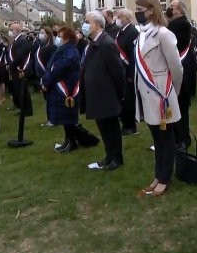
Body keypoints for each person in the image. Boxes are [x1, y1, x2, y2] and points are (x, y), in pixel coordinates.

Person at [134, 0, 183, 197]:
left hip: (161, 93)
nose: (137, 13)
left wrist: (173, 93)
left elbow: (177, 67)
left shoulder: (163, 34)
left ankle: (164, 178)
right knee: (156, 137)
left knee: (166, 138)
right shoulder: (141, 33)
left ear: (152, 10)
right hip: (146, 92)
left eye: (140, 10)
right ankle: (158, 174)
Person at [80, 11, 126, 171]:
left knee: (111, 128)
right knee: (103, 128)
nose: (84, 25)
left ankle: (116, 157)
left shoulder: (107, 43)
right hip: (96, 94)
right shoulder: (93, 43)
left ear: (98, 25)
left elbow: (117, 72)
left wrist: (119, 94)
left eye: (87, 22)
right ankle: (109, 156)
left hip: (107, 95)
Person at [41, 27, 81, 152]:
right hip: (59, 85)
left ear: (67, 39)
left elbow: (58, 68)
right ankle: (67, 140)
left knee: (69, 118)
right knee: (65, 118)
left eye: (60, 36)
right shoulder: (63, 49)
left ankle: (72, 141)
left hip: (66, 88)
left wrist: (47, 81)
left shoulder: (71, 51)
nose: (57, 38)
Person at [167, 0, 196, 151]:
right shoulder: (173, 23)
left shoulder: (181, 24)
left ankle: (183, 138)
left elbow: (175, 44)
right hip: (176, 66)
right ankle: (177, 137)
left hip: (181, 66)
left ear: (179, 9)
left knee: (181, 105)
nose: (170, 9)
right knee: (173, 105)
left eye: (172, 7)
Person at [115, 9, 140, 135]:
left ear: (127, 18)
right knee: (123, 99)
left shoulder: (132, 32)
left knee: (129, 100)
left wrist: (131, 73)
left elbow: (134, 54)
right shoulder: (121, 32)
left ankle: (130, 125)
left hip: (128, 71)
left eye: (120, 16)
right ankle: (125, 123)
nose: (117, 19)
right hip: (120, 71)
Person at [7, 23, 33, 116]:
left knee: (23, 91)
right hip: (15, 69)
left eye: (11, 29)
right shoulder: (15, 40)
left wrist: (12, 66)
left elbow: (20, 56)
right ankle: (23, 108)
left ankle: (27, 110)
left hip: (20, 69)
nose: (9, 31)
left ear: (16, 30)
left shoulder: (22, 41)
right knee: (18, 90)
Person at [35, 26, 57, 127]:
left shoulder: (52, 47)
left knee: (50, 99)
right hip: (42, 76)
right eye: (40, 32)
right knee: (47, 98)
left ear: (48, 35)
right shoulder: (41, 46)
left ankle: (53, 119)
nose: (41, 34)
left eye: (43, 33)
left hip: (48, 75)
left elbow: (51, 63)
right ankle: (50, 118)